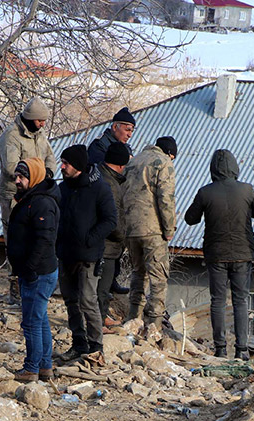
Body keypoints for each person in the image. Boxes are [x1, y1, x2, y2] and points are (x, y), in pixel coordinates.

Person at [184, 149, 254, 359]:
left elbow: (190, 219)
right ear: (235, 167)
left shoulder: (205, 192)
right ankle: (242, 349)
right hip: (242, 252)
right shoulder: (247, 189)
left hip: (216, 253)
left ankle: (220, 349)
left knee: (217, 301)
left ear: (213, 169)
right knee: (241, 300)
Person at [56, 144, 117, 361]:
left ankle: (96, 347)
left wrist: (89, 239)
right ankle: (78, 344)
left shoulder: (99, 188)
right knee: (70, 301)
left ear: (78, 166)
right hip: (65, 254)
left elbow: (110, 220)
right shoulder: (62, 189)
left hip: (88, 257)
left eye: (66, 163)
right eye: (62, 162)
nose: (62, 167)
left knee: (88, 301)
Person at [6, 158, 60, 383]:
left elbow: (44, 239)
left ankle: (31, 368)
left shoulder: (42, 203)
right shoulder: (30, 199)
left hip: (38, 273)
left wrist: (29, 268)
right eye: (16, 176)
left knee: (31, 322)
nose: (17, 181)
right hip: (33, 271)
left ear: (35, 177)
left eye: (22, 177)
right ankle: (45, 366)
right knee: (40, 319)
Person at [0, 97, 56, 302]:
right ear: (30, 119)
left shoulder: (39, 135)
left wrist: (47, 173)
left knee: (36, 235)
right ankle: (15, 284)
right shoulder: (12, 136)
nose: (43, 124)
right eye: (40, 120)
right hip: (15, 194)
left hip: (37, 193)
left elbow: (50, 156)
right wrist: (34, 173)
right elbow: (11, 167)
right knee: (15, 238)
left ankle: (34, 279)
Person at [124, 136, 178, 338]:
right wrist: (169, 228)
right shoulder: (163, 162)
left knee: (138, 273)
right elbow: (166, 198)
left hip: (131, 228)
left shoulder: (133, 162)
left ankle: (133, 318)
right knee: (158, 277)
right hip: (153, 229)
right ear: (170, 153)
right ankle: (154, 324)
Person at [95, 142, 130, 326]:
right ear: (121, 165)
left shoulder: (99, 174)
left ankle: (102, 315)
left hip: (102, 242)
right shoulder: (111, 184)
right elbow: (113, 219)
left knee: (102, 285)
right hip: (107, 245)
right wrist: (122, 236)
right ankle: (99, 321)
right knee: (102, 286)